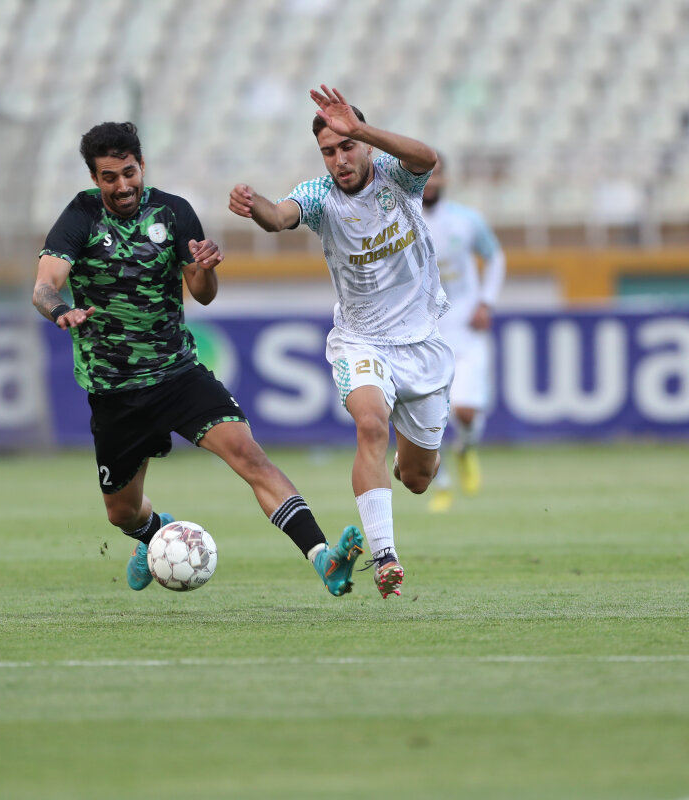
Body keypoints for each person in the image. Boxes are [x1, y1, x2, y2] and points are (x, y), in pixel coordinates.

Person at [33, 121, 364, 597]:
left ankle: (323, 557)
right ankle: (153, 533)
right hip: (114, 389)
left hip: (178, 374)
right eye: (109, 177)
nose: (122, 186)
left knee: (250, 456)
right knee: (122, 513)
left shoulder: (173, 212)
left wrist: (205, 269)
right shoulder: (80, 217)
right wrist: (60, 310)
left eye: (129, 173)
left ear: (142, 165)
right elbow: (45, 285)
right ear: (94, 178)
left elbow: (203, 293)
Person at [228, 85, 452, 598]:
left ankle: (409, 461)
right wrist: (255, 205)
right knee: (370, 425)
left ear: (365, 144)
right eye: (328, 151)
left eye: (347, 146)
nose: (339, 159)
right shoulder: (318, 196)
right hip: (361, 341)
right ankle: (385, 556)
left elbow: (427, 158)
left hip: (421, 343)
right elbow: (278, 217)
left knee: (418, 478)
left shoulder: (397, 176)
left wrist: (361, 127)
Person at [421, 154, 506, 512]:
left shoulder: (466, 220)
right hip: (424, 332)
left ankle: (466, 448)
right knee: (428, 418)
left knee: (466, 411)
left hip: (466, 329)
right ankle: (441, 485)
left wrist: (486, 302)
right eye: (424, 174)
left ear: (445, 178)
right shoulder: (400, 220)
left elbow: (496, 257)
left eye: (436, 174)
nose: (430, 181)